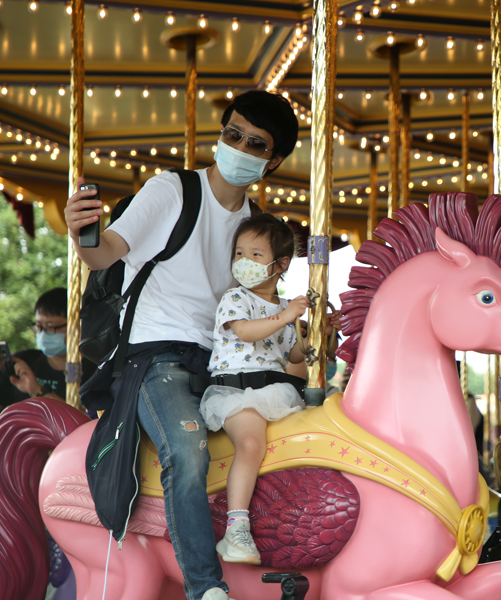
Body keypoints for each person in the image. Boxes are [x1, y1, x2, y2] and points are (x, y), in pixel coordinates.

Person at [64, 90, 298, 600]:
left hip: (222, 365)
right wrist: (84, 232)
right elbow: (105, 255)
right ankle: (204, 588)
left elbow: (258, 310)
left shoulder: (255, 225)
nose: (237, 147)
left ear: (272, 161)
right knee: (188, 453)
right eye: (231, 134)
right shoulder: (172, 191)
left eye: (253, 143)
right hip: (158, 356)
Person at [198, 214, 309, 563]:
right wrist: (287, 316)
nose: (244, 262)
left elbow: (293, 353)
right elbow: (245, 332)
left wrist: (315, 331)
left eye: (256, 255)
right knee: (250, 443)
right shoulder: (235, 298)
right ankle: (236, 529)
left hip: (274, 392)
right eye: (240, 254)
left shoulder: (283, 308)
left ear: (281, 264)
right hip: (234, 392)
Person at [0, 288, 92, 424]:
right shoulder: (21, 363)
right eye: (39, 326)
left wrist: (39, 391)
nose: (43, 333)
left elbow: (87, 423)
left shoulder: (94, 371)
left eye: (51, 327)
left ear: (75, 326)